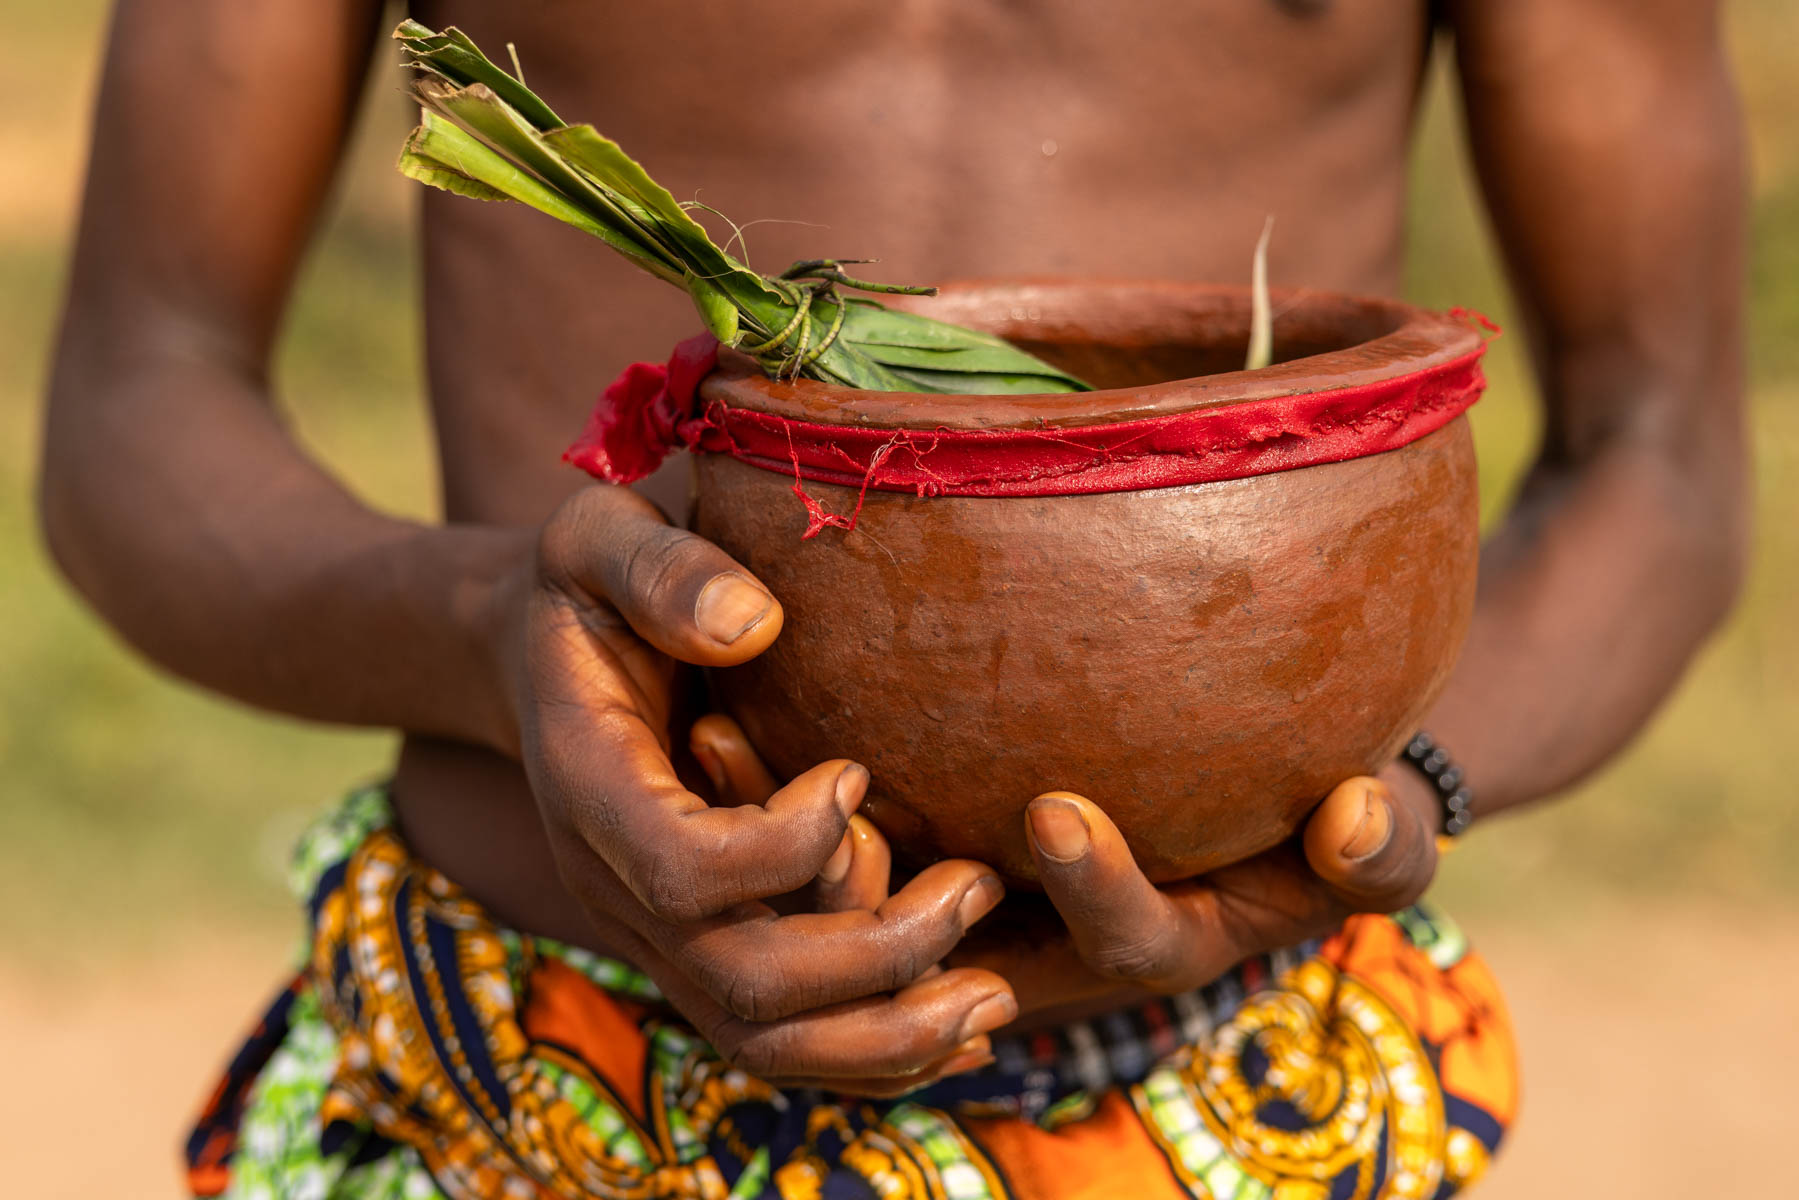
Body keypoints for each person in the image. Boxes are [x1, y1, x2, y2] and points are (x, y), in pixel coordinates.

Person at [40, 1, 1745, 1196]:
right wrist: (496, 639)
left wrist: (1387, 800)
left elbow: (1655, 447)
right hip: (531, 1071)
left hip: (1250, 1098)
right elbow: (140, 400)